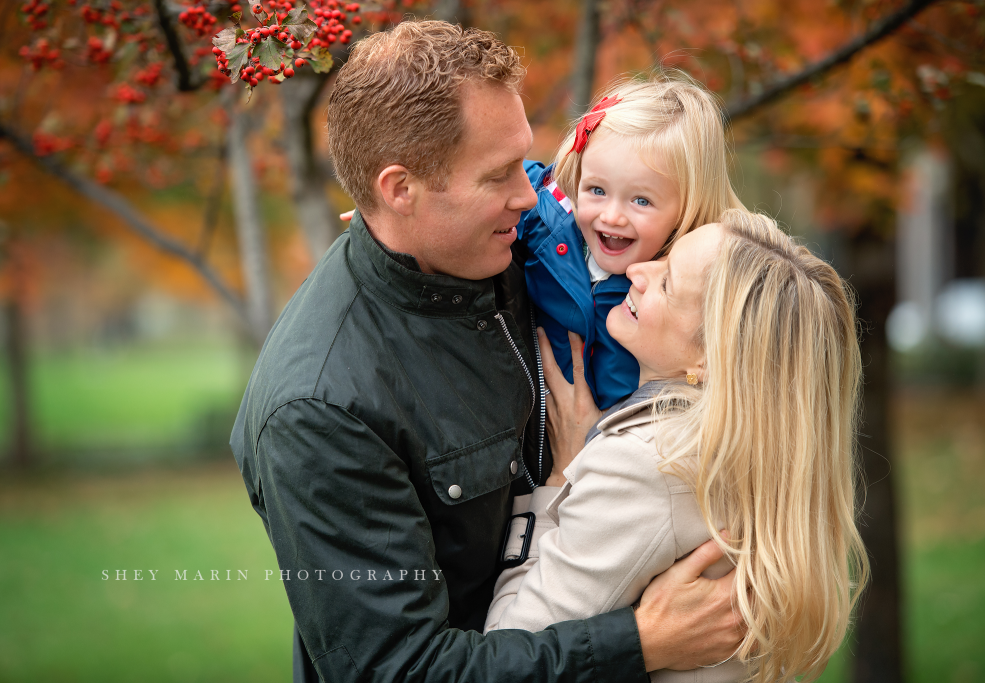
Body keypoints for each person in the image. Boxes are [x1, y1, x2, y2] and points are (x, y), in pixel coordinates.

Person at [230, 20, 743, 683]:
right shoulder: (320, 408)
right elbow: (402, 670)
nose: (532, 195)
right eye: (499, 175)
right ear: (399, 190)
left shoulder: (506, 246)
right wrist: (639, 640)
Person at [486, 210, 870, 683]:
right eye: (663, 258)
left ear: (712, 357)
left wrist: (560, 479)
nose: (636, 271)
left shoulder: (646, 466)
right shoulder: (763, 454)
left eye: (667, 283)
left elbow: (508, 651)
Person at [517, 73, 743, 411]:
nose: (611, 216)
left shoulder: (684, 302)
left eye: (641, 201)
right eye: (597, 190)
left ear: (686, 210)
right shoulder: (545, 223)